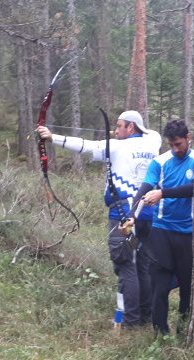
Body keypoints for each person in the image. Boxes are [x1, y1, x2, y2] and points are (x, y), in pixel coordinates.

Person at [36, 110, 161, 327]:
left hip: (122, 215)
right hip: (148, 214)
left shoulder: (116, 147)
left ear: (131, 127)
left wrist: (51, 137)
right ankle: (145, 316)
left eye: (120, 126)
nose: (115, 130)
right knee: (142, 266)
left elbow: (85, 146)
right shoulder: (153, 144)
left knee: (126, 267)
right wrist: (141, 128)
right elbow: (152, 133)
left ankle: (130, 322)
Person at [121, 118, 194, 335]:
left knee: (187, 287)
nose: (175, 149)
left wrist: (163, 193)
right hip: (161, 230)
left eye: (179, 144)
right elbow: (145, 188)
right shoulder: (160, 162)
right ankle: (160, 333)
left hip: (188, 232)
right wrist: (132, 215)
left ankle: (183, 330)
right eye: (171, 145)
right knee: (160, 284)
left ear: (188, 138)